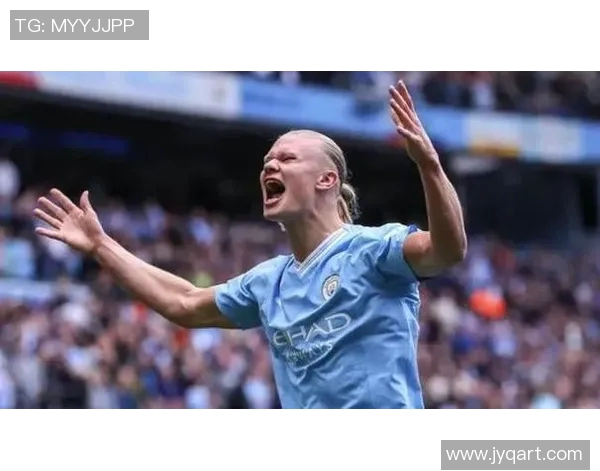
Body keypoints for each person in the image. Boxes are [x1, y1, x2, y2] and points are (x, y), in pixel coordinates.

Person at [33, 81, 467, 408]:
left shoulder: (374, 250)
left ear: (327, 179)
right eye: (267, 161)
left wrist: (429, 165)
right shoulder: (268, 283)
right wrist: (101, 246)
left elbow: (448, 251)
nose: (270, 166)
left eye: (287, 158)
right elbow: (184, 303)